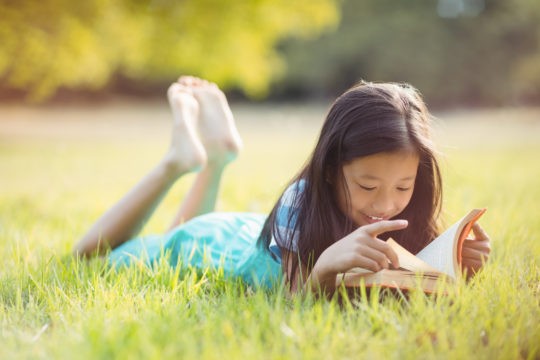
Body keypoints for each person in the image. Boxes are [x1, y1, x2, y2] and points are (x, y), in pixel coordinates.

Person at [73, 76, 491, 295]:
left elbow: (414, 277)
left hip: (248, 232)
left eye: (403, 187)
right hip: (220, 247)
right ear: (330, 170)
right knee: (91, 255)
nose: (386, 203)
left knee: (183, 231)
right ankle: (177, 161)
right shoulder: (301, 200)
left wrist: (458, 263)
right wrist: (326, 266)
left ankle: (215, 158)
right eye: (366, 186)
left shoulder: (410, 202)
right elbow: (292, 300)